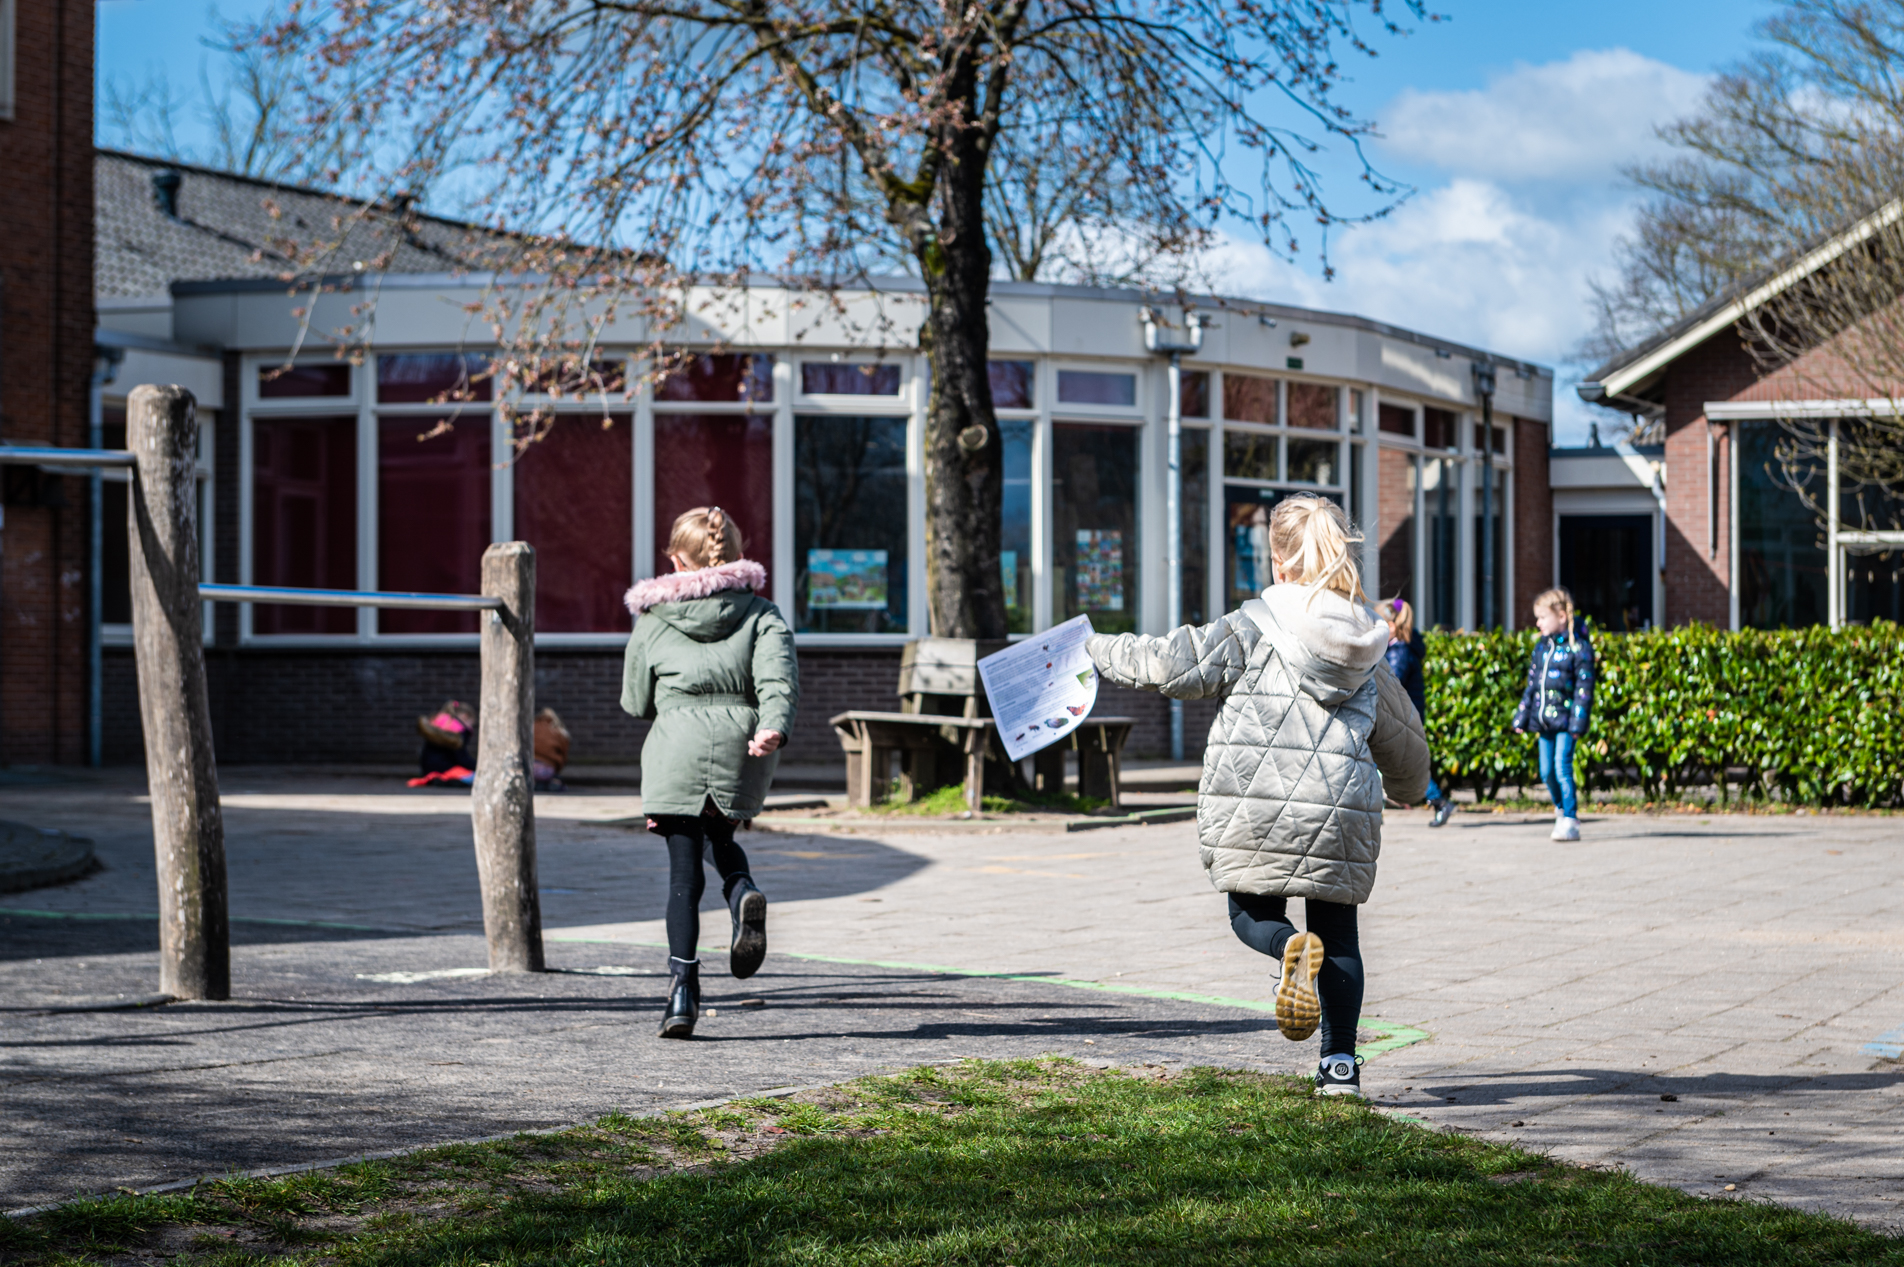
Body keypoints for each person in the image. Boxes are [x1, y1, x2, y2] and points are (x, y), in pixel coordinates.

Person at [1087, 494, 1429, 1098]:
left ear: (1278, 560)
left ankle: (1284, 948)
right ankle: (1340, 1069)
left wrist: (1095, 650)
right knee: (1340, 936)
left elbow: (1170, 664)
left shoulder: (1250, 627)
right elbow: (1404, 741)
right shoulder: (1367, 644)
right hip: (1339, 815)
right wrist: (1410, 788)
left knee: (1249, 911)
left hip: (1256, 805)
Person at [621, 506, 798, 1038]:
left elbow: (634, 702)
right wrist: (771, 727)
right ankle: (742, 891)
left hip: (675, 744)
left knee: (683, 874)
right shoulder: (762, 613)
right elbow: (779, 682)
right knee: (719, 836)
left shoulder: (653, 619)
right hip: (741, 746)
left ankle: (682, 993)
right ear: (738, 555)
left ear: (676, 559)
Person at [1512, 586, 1596, 842]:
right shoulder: (1541, 648)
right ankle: (1561, 810)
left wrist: (1578, 724)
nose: (1537, 623)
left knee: (1562, 767)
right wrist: (1522, 716)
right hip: (1543, 722)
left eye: (1542, 617)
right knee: (1546, 771)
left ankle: (1570, 819)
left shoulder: (1579, 648)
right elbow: (1532, 686)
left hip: (1567, 722)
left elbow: (1584, 690)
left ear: (1561, 616)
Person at [1381, 598, 1454, 828]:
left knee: (1404, 765)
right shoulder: (1403, 648)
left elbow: (1391, 684)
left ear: (1392, 626)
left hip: (1401, 717)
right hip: (1404, 716)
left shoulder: (1399, 652)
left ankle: (1439, 801)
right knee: (1394, 762)